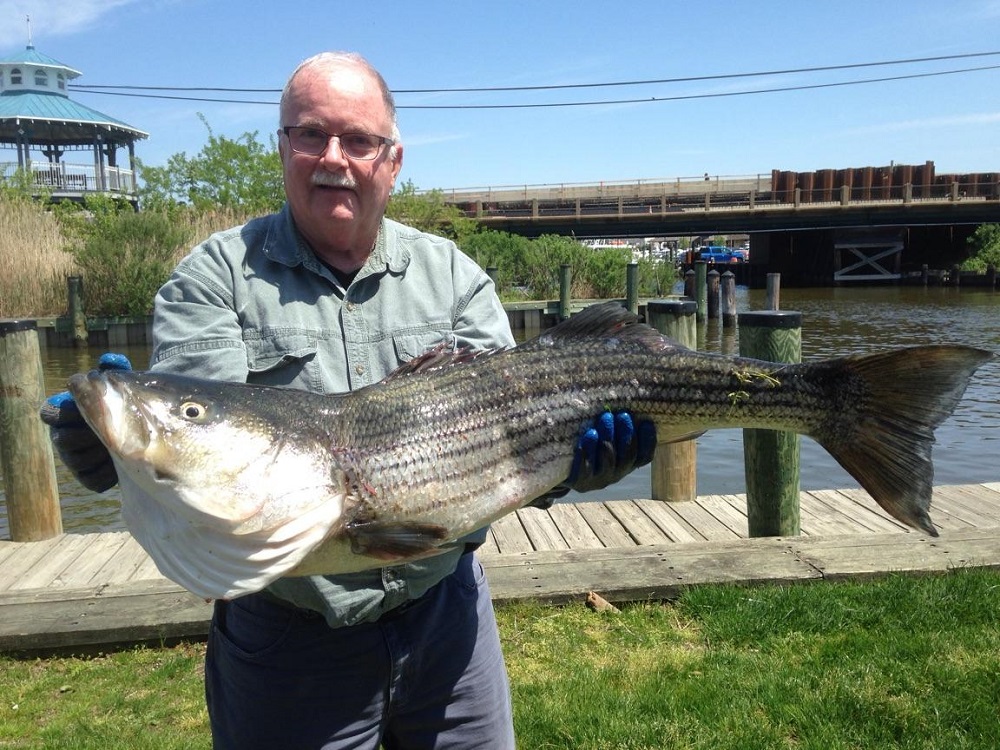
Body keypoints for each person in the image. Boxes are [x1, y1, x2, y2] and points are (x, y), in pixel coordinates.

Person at [42, 51, 654, 749]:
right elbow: (202, 465)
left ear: (392, 162)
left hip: (448, 618)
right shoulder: (213, 279)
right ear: (283, 148)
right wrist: (118, 453)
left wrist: (567, 469)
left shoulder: (454, 276)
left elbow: (514, 443)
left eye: (358, 140)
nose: (333, 158)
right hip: (288, 641)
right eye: (310, 134)